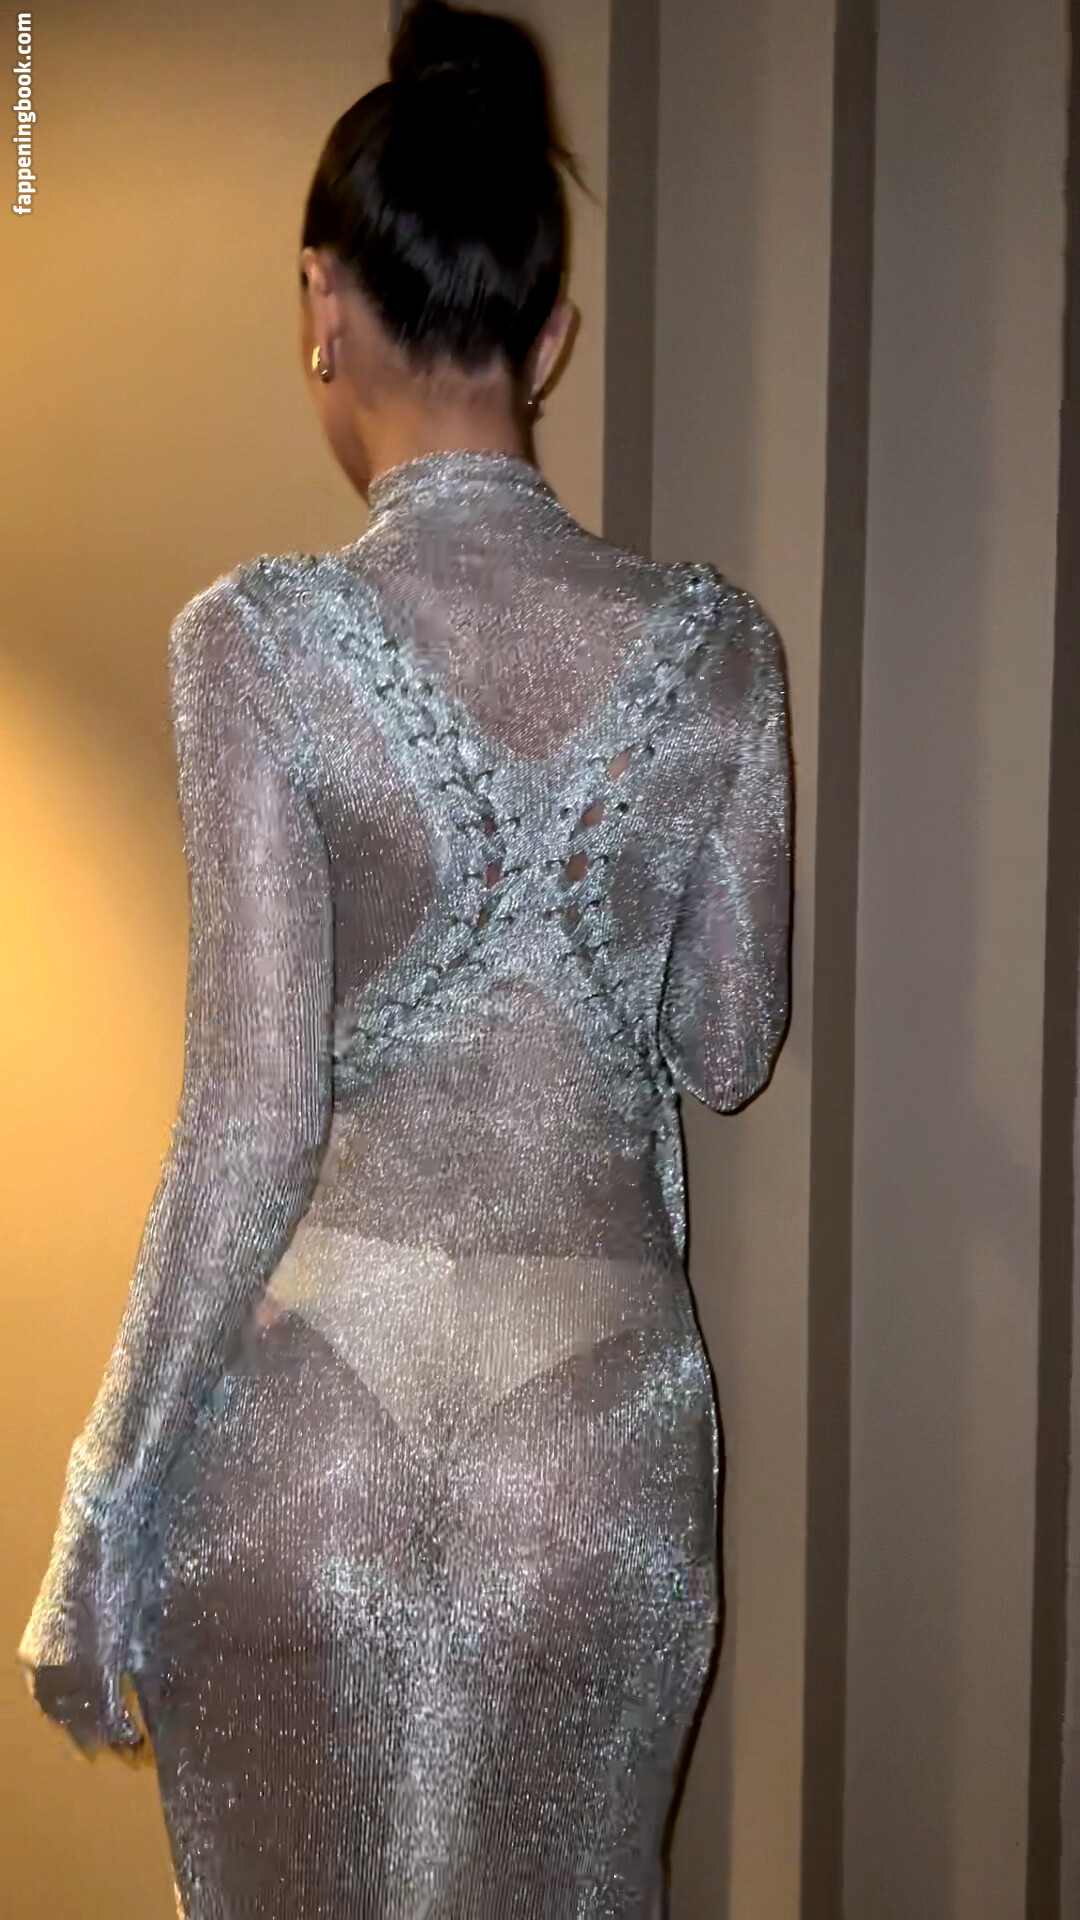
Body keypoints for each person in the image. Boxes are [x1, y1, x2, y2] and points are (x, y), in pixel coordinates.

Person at [18, 2, 793, 1914]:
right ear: (552, 336)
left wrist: (104, 1502)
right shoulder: (721, 653)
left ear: (322, 301)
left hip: (316, 1434)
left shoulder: (257, 644)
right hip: (598, 1450)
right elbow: (729, 1043)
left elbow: (252, 1117)